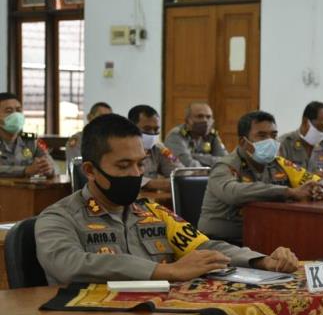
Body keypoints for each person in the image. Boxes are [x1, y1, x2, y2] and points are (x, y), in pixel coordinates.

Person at [35, 113, 298, 285]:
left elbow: (204, 247)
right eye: (123, 166)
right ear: (90, 171)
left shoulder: (153, 212)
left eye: (140, 164)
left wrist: (261, 260)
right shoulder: (59, 217)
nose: (136, 174)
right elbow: (70, 265)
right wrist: (165, 272)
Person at [199, 111, 323, 243]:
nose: (270, 141)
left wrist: (317, 189)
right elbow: (234, 193)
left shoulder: (279, 164)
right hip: (222, 242)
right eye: (262, 135)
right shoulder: (225, 166)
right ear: (243, 142)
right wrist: (288, 192)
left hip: (264, 237)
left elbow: (314, 181)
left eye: (274, 135)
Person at [0, 92, 57, 178]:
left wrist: (48, 169)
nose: (16, 115)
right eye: (9, 111)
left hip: (27, 190)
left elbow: (53, 166)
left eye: (19, 110)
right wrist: (25, 170)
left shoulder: (32, 141)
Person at [128, 105, 183, 191]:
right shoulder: (120, 149)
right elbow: (122, 176)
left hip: (149, 200)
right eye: (147, 129)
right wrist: (150, 184)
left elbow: (179, 172)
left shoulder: (160, 148)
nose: (152, 133)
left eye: (156, 129)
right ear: (131, 127)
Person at [164, 102, 227, 168]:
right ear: (187, 120)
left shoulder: (212, 135)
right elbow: (187, 164)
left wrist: (194, 156)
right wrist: (210, 162)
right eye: (200, 116)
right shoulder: (176, 135)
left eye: (208, 117)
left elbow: (226, 161)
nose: (205, 120)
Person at [65, 101, 113, 166]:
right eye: (101, 116)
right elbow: (77, 166)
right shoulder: (78, 140)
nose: (104, 121)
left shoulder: (112, 140)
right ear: (89, 117)